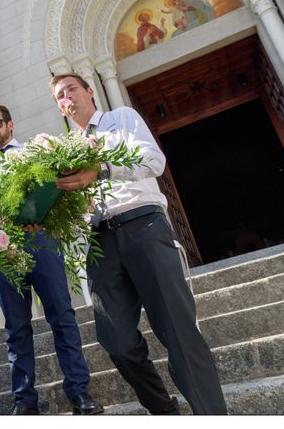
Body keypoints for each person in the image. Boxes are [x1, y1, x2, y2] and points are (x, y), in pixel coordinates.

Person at [49, 74, 228, 415]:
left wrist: (102, 169)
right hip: (101, 239)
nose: (67, 96)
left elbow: (153, 161)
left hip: (143, 225)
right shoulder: (63, 152)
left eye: (72, 88)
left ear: (89, 91)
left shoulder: (122, 118)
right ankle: (164, 410)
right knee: (115, 341)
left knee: (179, 333)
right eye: (60, 95)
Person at [0, 101, 103, 415]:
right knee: (16, 328)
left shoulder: (32, 152)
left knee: (62, 315)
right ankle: (25, 402)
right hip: (4, 247)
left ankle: (79, 393)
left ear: (10, 125)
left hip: (42, 240)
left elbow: (56, 187)